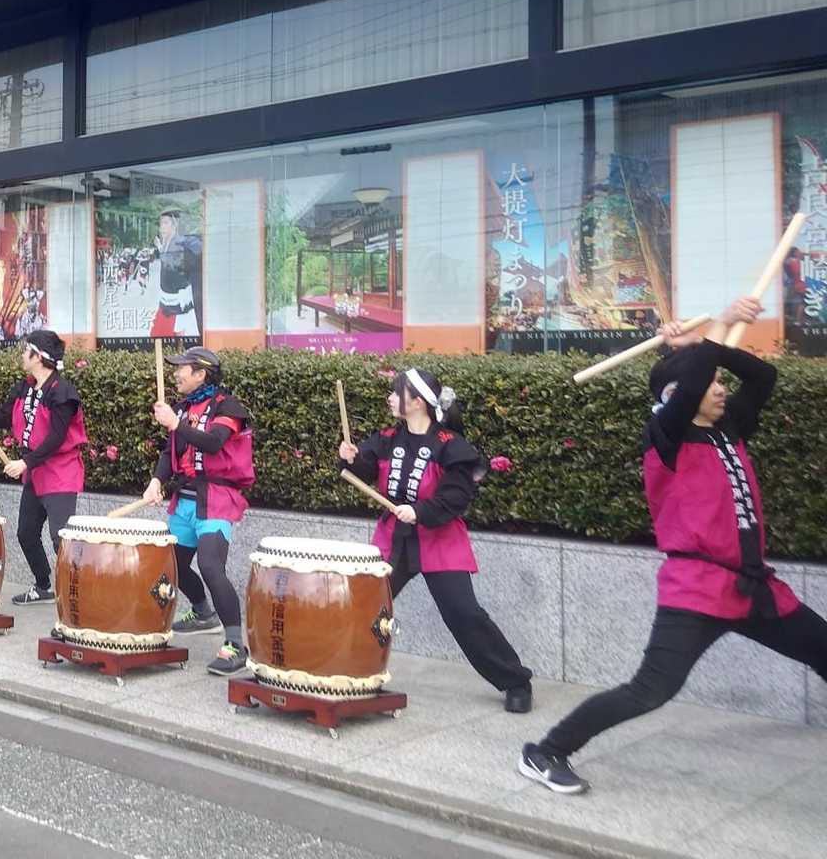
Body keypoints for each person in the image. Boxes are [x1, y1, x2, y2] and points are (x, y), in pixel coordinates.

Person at [520, 298, 827, 795]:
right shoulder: (665, 436)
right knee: (650, 691)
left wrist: (710, 343)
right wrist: (715, 329)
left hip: (754, 587)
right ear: (676, 394)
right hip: (697, 590)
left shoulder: (729, 428)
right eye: (711, 383)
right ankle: (545, 751)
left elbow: (764, 377)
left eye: (721, 381)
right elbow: (693, 379)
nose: (721, 388)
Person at [340, 368, 533, 713]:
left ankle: (515, 681)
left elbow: (457, 495)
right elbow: (366, 469)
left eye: (396, 393)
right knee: (365, 606)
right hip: (394, 538)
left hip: (438, 538)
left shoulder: (450, 445)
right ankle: (354, 673)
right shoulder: (387, 438)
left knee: (463, 613)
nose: (390, 398)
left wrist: (420, 511)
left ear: (417, 402)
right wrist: (351, 458)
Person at [138, 346, 255, 675]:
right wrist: (156, 481)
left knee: (210, 566)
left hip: (217, 498)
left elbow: (214, 442)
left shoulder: (227, 406)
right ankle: (203, 612)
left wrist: (176, 424)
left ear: (201, 374)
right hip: (185, 499)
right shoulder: (183, 408)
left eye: (183, 368)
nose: (176, 374)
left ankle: (236, 644)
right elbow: (170, 452)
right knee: (171, 564)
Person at [0, 329, 88, 607]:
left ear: (38, 357)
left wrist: (25, 462)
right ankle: (44, 585)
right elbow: (5, 418)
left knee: (61, 537)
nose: (23, 355)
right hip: (36, 472)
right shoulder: (25, 387)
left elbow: (56, 438)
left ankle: (80, 594)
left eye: (26, 351)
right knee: (26, 532)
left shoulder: (62, 392)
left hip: (60, 471)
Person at [150, 208, 204, 337]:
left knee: (174, 334)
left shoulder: (181, 242)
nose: (162, 227)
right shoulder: (167, 242)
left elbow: (176, 265)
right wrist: (161, 248)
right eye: (161, 223)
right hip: (166, 300)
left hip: (177, 301)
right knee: (163, 335)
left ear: (174, 225)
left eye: (166, 223)